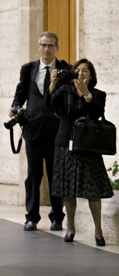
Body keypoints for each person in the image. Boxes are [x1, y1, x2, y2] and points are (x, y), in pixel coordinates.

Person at [46, 58, 114, 246]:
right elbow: (49, 105)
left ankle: (98, 231)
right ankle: (70, 228)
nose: (81, 73)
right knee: (68, 191)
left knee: (93, 191)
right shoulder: (64, 91)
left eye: (86, 71)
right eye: (79, 70)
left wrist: (87, 96)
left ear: (91, 76)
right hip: (64, 143)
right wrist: (52, 84)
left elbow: (97, 113)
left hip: (88, 146)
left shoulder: (98, 94)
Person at [9, 31, 70, 231]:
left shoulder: (65, 69)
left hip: (57, 130)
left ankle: (57, 217)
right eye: (43, 45)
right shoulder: (28, 69)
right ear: (38, 47)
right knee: (33, 175)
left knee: (55, 174)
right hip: (32, 128)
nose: (46, 49)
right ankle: (32, 217)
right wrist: (14, 106)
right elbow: (20, 94)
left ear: (57, 48)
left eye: (50, 46)